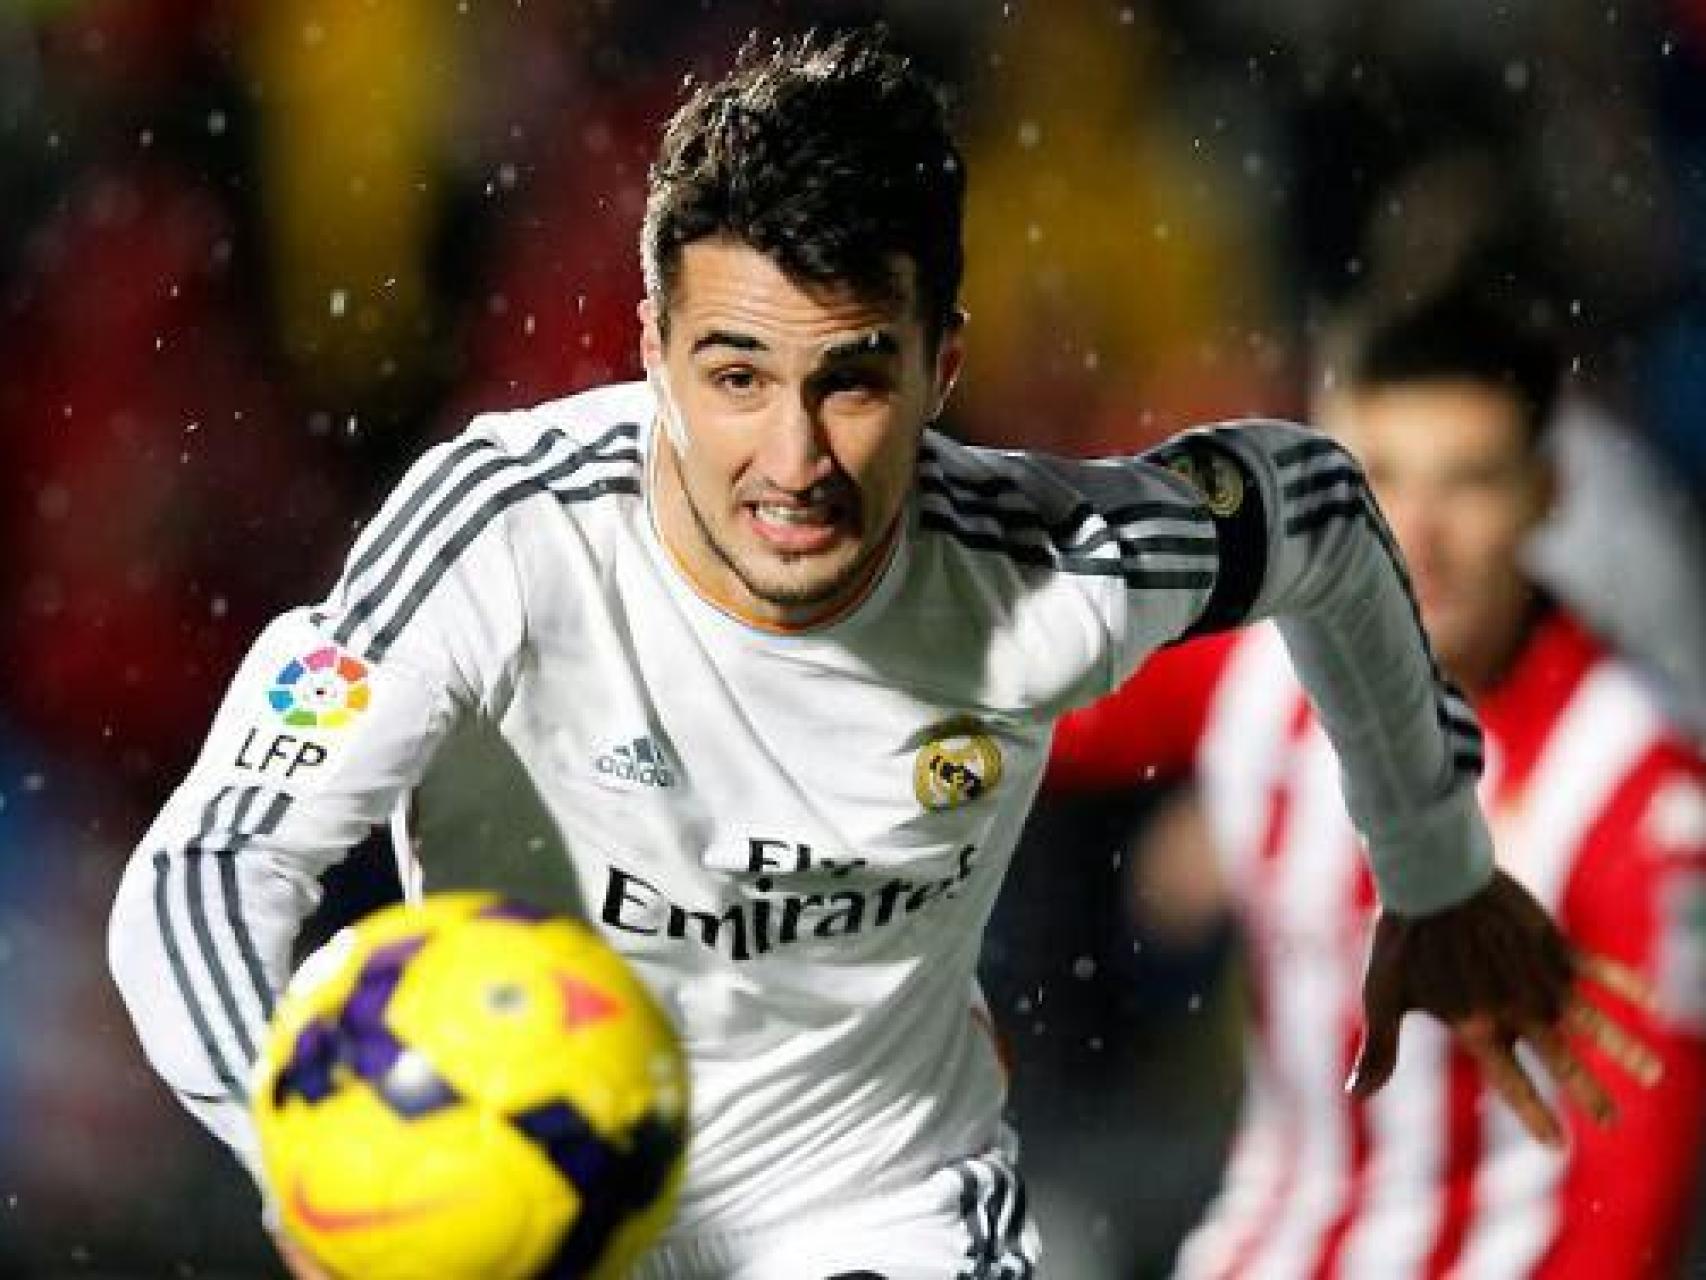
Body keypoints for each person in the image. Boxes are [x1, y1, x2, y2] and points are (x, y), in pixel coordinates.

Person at [109, 31, 1655, 1279]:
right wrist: (311, 1152)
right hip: (518, 1221)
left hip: (876, 1214)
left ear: (943, 362)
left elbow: (1313, 505)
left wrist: (1431, 857)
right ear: (648, 346)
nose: (791, 459)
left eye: (851, 380)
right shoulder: (501, 533)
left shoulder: (1050, 573)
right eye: (732, 374)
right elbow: (206, 870)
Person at [1050, 285, 1706, 1277]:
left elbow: (1635, 1190)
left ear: (1544, 493)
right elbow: (1005, 701)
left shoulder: (1637, 789)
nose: (1417, 534)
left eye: (1470, 481)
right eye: (1377, 476)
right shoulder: (1255, 653)